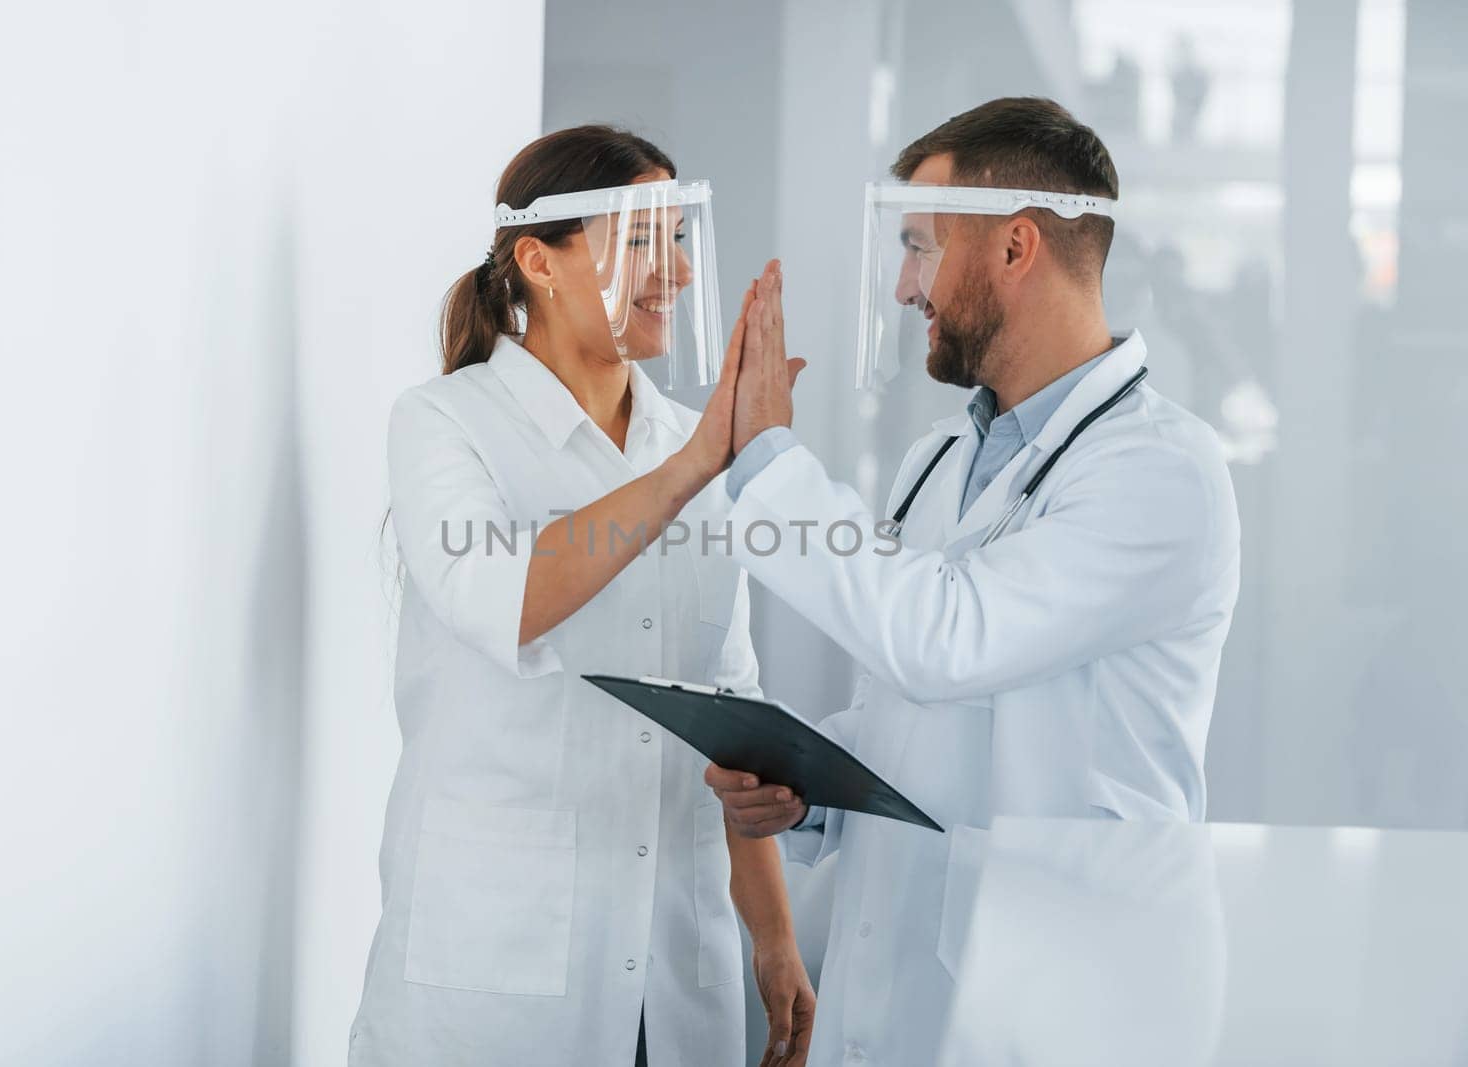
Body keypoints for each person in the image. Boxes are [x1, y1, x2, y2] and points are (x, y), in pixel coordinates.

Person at [706, 98, 1242, 1063]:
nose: (907, 285)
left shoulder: (1163, 471)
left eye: (920, 245)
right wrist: (810, 781)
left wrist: (766, 458)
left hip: (1075, 991)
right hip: (916, 975)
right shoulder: (942, 455)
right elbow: (917, 705)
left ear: (1014, 247)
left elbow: (947, 638)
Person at [348, 125, 813, 1067]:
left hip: (677, 991)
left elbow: (730, 708)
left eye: (679, 238)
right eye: (639, 238)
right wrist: (694, 466)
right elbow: (502, 594)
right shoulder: (445, 423)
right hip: (501, 991)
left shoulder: (694, 447)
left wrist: (773, 934)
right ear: (539, 262)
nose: (674, 269)